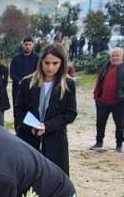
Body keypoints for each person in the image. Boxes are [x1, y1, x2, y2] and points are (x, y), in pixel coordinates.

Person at [15, 43, 77, 174]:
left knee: (54, 178)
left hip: (55, 139)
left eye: (55, 63)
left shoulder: (68, 84)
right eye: (47, 62)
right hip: (29, 138)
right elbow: (19, 110)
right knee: (29, 176)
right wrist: (29, 127)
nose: (50, 67)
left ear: (62, 63)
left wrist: (47, 126)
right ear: (40, 62)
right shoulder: (27, 82)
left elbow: (70, 113)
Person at [90, 48, 124, 151]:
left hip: (119, 102)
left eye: (117, 56)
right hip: (103, 101)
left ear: (121, 57)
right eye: (113, 56)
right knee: (100, 123)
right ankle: (99, 142)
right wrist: (96, 96)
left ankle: (119, 144)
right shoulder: (105, 67)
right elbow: (99, 82)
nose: (115, 58)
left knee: (120, 124)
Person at [9, 38, 39, 124]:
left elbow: (38, 72)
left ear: (32, 45)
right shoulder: (16, 58)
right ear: (23, 45)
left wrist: (30, 82)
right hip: (17, 88)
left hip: (32, 88)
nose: (28, 47)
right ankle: (17, 128)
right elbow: (12, 73)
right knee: (17, 109)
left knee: (31, 109)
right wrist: (20, 82)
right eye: (26, 45)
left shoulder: (37, 58)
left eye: (29, 45)